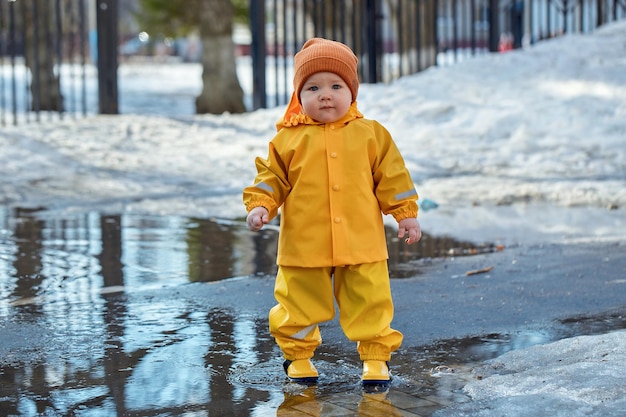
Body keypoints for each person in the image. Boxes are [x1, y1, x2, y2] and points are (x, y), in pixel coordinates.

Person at [243, 38, 421, 386]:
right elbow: (271, 177)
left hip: (361, 242)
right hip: (305, 243)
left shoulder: (371, 134)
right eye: (313, 87)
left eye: (336, 86)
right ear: (299, 96)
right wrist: (262, 205)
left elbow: (393, 176)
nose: (325, 94)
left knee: (370, 300)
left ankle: (375, 358)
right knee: (298, 301)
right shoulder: (288, 140)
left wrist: (405, 213)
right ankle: (298, 357)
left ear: (352, 92)